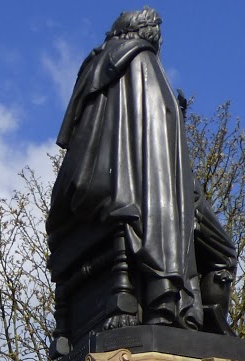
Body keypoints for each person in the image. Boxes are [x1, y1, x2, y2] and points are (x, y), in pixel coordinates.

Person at [48, 8, 200, 333]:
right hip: (135, 189)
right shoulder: (142, 61)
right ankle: (167, 302)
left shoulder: (93, 67)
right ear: (151, 33)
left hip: (86, 191)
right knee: (215, 246)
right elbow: (157, 144)